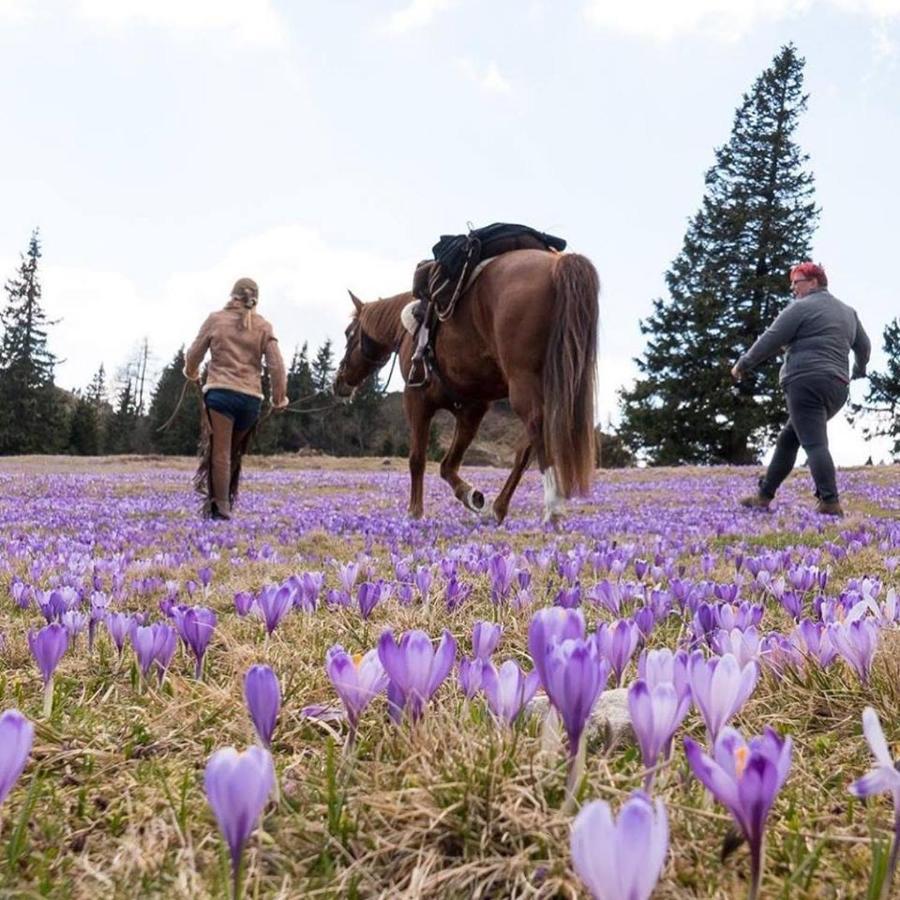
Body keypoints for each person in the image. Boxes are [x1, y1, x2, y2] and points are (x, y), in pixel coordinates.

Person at [731, 262, 870, 517]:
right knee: (789, 438)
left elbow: (772, 338)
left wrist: (744, 363)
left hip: (804, 381)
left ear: (814, 282)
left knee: (814, 443)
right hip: (837, 387)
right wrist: (860, 370)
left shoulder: (801, 307)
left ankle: (830, 502)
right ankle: (763, 496)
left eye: (797, 281)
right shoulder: (848, 312)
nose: (793, 287)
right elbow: (864, 346)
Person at [184, 277, 288, 519]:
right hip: (250, 400)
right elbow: (277, 366)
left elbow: (194, 354)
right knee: (233, 453)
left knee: (220, 452)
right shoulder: (263, 326)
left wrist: (191, 372)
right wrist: (279, 398)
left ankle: (220, 508)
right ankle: (223, 502)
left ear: (232, 296)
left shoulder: (216, 320)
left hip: (221, 394)